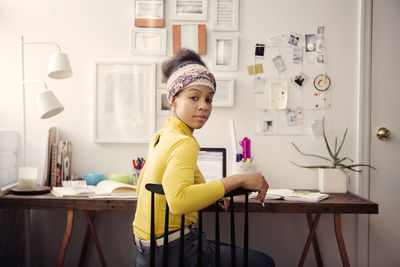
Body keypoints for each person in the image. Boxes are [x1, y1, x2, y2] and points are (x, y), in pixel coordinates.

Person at [133, 49, 275, 267]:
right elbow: (179, 201)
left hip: (148, 252)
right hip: (176, 251)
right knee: (264, 262)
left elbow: (169, 182)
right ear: (173, 98)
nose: (204, 106)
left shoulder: (161, 136)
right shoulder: (184, 142)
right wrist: (238, 180)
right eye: (194, 97)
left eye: (209, 99)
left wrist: (211, 193)